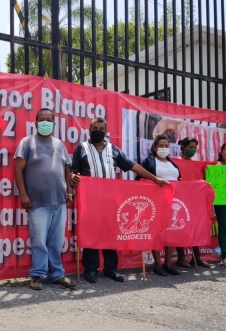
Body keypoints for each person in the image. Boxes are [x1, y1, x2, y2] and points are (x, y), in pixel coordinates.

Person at [70, 117, 169, 283]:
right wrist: (73, 177)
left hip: (111, 201)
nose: (98, 131)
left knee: (111, 233)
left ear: (106, 131)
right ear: (89, 129)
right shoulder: (82, 148)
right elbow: (73, 171)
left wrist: (155, 179)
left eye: (102, 128)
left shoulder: (114, 150)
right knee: (91, 233)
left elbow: (133, 166)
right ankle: (91, 269)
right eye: (95, 128)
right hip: (90, 201)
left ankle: (111, 269)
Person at [14, 109, 75, 291]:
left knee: (56, 241)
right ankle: (37, 274)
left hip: (59, 201)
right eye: (42, 119)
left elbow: (66, 170)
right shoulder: (27, 143)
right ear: (35, 123)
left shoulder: (59, 144)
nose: (45, 122)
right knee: (39, 240)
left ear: (54, 124)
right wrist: (23, 195)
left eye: (49, 120)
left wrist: (69, 192)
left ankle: (56, 274)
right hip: (37, 201)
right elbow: (18, 170)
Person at [139, 135, 182, 276]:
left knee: (171, 232)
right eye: (161, 145)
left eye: (166, 146)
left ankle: (168, 264)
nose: (164, 148)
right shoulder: (148, 162)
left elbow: (180, 181)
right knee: (157, 233)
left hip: (173, 203)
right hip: (156, 203)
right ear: (155, 147)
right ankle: (157, 265)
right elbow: (140, 180)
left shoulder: (173, 164)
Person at [176, 137, 211, 268]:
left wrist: (208, 171)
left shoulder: (197, 163)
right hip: (181, 197)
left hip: (195, 200)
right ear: (183, 147)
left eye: (194, 147)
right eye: (190, 147)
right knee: (180, 226)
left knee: (195, 227)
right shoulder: (176, 162)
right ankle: (181, 256)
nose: (192, 150)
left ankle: (196, 256)